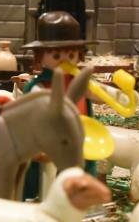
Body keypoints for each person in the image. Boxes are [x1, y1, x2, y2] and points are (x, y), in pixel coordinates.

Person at [20, 11, 96, 199]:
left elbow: (98, 96)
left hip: (79, 139)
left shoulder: (80, 82)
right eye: (56, 55)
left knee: (79, 172)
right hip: (49, 142)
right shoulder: (39, 86)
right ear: (40, 57)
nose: (64, 60)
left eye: (71, 54)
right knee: (46, 178)